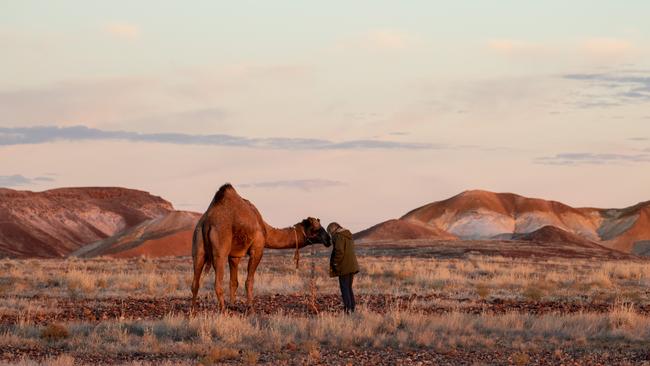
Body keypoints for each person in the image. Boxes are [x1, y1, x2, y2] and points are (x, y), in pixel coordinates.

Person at [328, 222, 359, 313]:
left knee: (344, 288)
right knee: (348, 288)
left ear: (333, 229)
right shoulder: (347, 235)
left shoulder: (339, 236)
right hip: (351, 265)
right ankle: (352, 308)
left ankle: (347, 310)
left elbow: (339, 251)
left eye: (330, 232)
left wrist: (336, 263)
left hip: (344, 266)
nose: (330, 235)